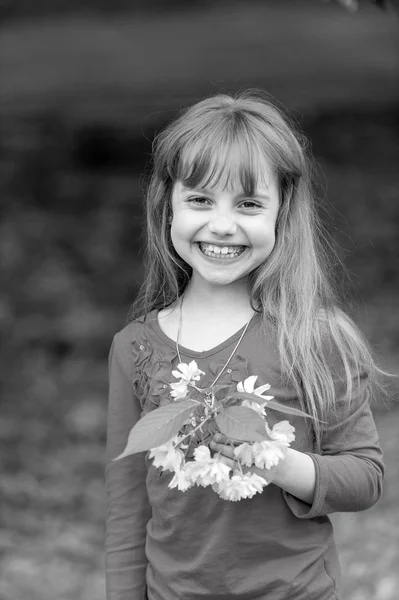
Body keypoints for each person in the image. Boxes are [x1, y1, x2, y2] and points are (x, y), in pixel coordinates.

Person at [105, 91, 384, 600]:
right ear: (168, 205)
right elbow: (127, 513)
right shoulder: (136, 347)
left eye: (250, 204)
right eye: (200, 200)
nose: (223, 225)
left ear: (282, 214)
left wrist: (271, 459)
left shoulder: (313, 336)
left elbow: (365, 478)